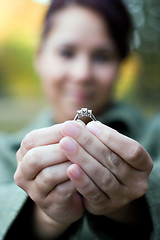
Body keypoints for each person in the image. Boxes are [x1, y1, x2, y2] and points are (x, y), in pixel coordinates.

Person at [0, 0, 159, 239]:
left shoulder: (156, 135)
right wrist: (43, 217)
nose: (82, 73)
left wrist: (133, 205)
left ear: (121, 64)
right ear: (40, 57)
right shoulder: (4, 152)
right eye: (67, 52)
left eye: (102, 56)